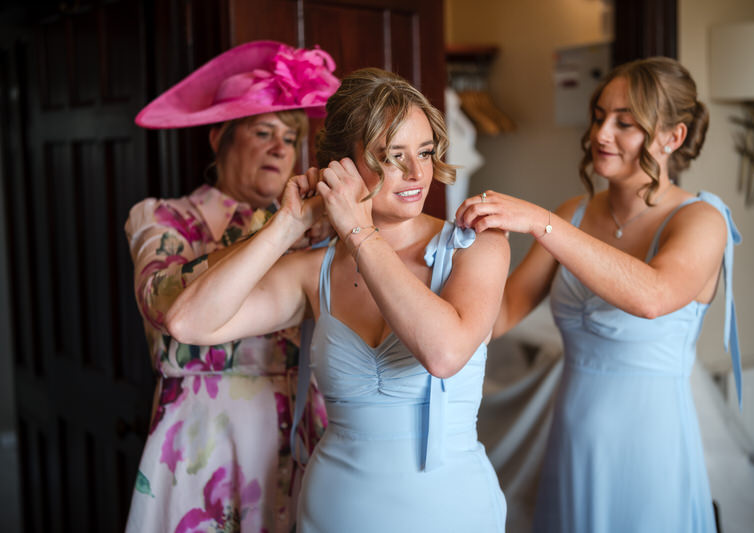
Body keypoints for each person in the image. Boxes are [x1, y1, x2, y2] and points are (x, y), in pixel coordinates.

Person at [165, 67, 510, 532]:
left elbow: (443, 353)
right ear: (342, 165)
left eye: (425, 152)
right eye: (393, 156)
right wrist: (289, 224)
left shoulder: (477, 246)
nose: (417, 173)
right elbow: (187, 322)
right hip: (334, 510)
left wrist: (360, 231)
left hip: (452, 511)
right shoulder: (316, 270)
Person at [456, 56, 742, 532]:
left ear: (673, 137)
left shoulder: (701, 220)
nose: (600, 134)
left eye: (624, 123)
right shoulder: (574, 212)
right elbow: (499, 314)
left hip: (651, 443)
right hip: (573, 437)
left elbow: (653, 296)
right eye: (598, 116)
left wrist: (541, 222)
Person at [123, 41, 339, 533]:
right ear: (219, 137)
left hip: (305, 434)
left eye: (290, 137)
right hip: (206, 439)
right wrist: (278, 230)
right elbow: (164, 305)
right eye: (263, 132)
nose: (281, 147)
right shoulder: (165, 218)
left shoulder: (319, 228)